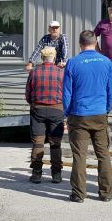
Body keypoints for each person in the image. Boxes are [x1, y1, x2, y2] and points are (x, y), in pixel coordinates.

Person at [63, 30, 112, 202]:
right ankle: (106, 193)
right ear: (96, 42)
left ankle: (79, 194)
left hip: (79, 113)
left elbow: (67, 93)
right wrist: (106, 108)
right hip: (99, 112)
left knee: (80, 155)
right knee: (103, 154)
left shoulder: (73, 63)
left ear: (80, 43)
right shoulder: (107, 62)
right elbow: (111, 91)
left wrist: (67, 112)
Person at [25, 46, 65, 184]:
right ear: (54, 58)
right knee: (55, 143)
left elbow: (28, 94)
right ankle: (56, 174)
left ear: (42, 58)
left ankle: (36, 173)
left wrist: (33, 103)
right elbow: (66, 93)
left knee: (38, 142)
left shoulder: (34, 72)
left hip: (38, 110)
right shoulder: (61, 72)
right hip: (57, 110)